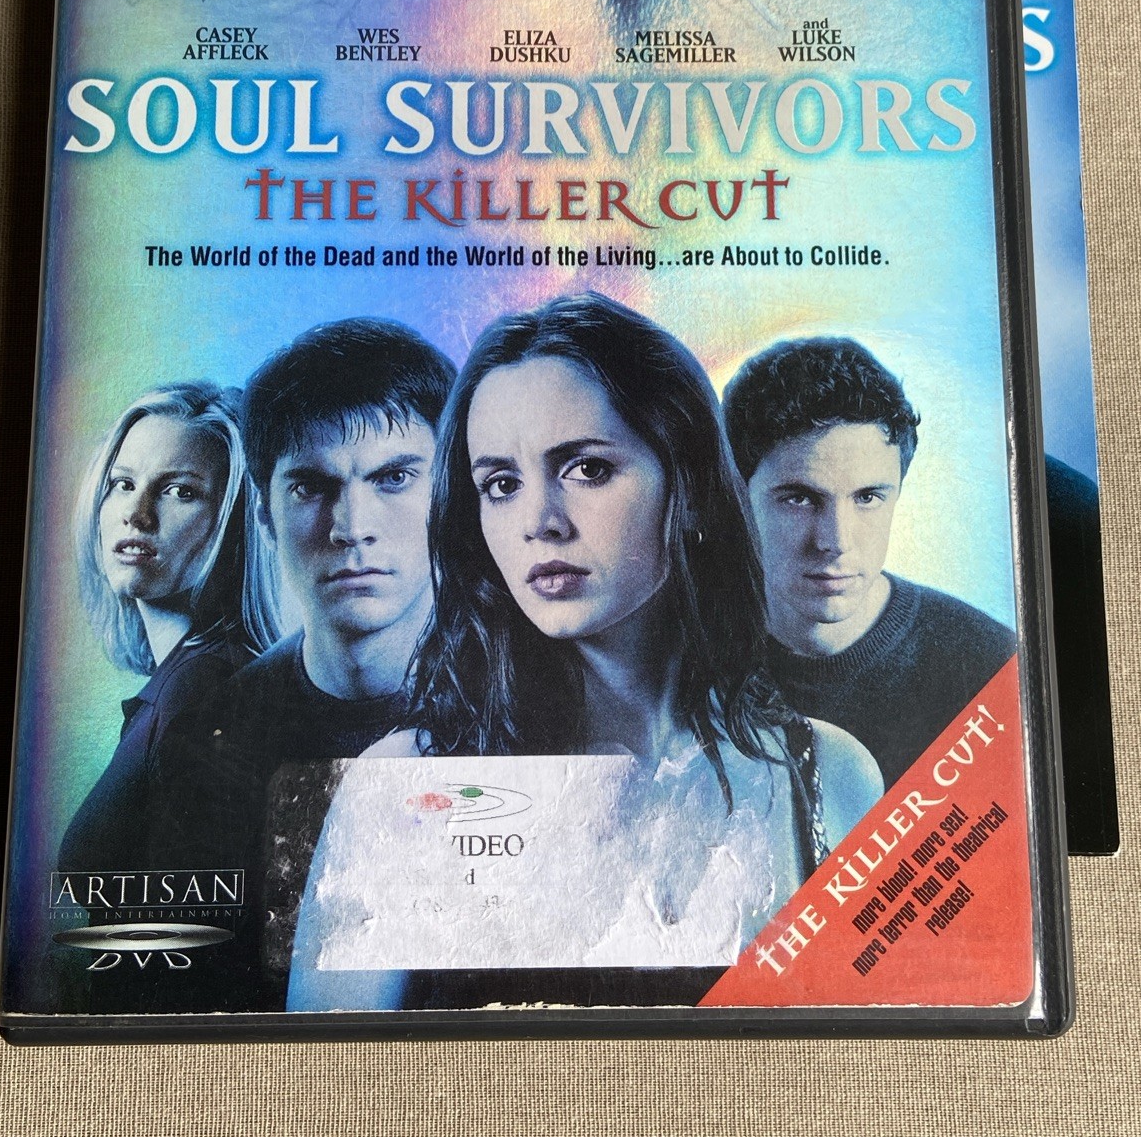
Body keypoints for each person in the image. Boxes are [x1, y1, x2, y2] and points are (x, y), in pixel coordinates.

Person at [286, 294, 882, 1012]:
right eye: (501, 485)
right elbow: (331, 1070)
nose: (539, 522)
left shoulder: (829, 776)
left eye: (587, 469)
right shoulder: (406, 790)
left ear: (690, 484)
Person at [154, 318, 456, 1006]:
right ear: (264, 515)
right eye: (310, 487)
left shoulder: (544, 704)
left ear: (450, 498)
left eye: (394, 478)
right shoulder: (205, 749)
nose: (352, 527)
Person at [723, 337, 1017, 789]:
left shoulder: (993, 671)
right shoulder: (677, 661)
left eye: (867, 498)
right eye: (799, 498)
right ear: (738, 497)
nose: (836, 542)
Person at [58, 381, 275, 873]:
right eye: (123, 484)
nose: (136, 515)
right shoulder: (192, 678)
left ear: (237, 520)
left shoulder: (200, 690)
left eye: (180, 491)